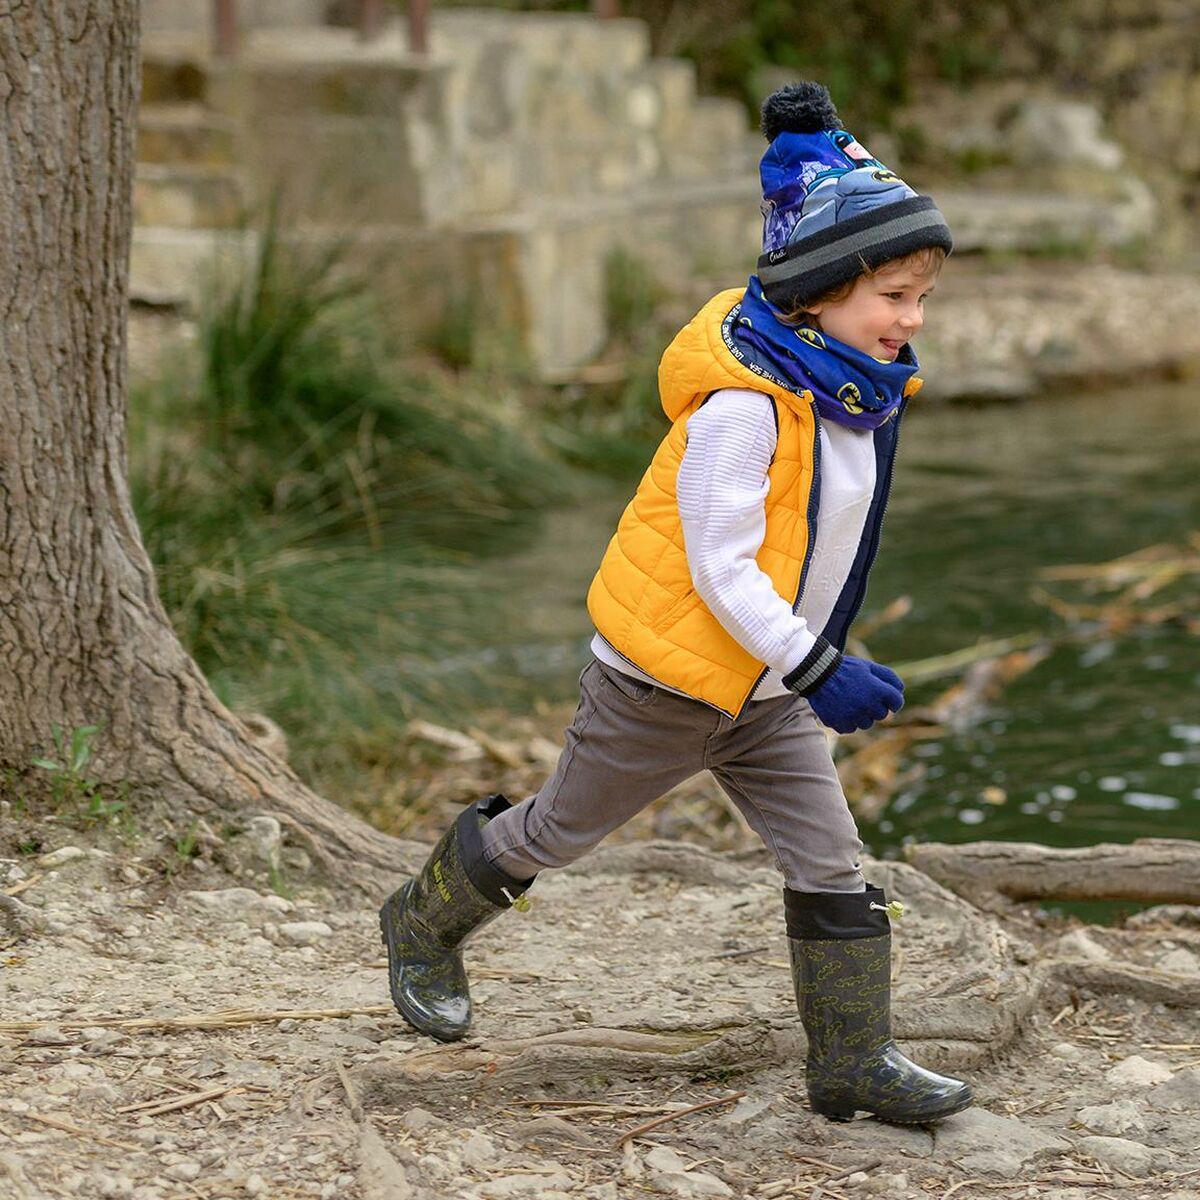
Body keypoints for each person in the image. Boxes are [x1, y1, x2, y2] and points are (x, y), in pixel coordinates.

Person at [379, 81, 973, 1125]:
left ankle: (852, 1060)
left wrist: (815, 656)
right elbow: (722, 571)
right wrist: (821, 666)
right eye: (894, 296)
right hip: (661, 688)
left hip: (768, 695)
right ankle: (421, 923)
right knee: (555, 833)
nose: (913, 319)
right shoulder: (743, 409)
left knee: (832, 858)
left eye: (922, 297)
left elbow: (813, 551)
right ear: (820, 292)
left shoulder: (852, 397)